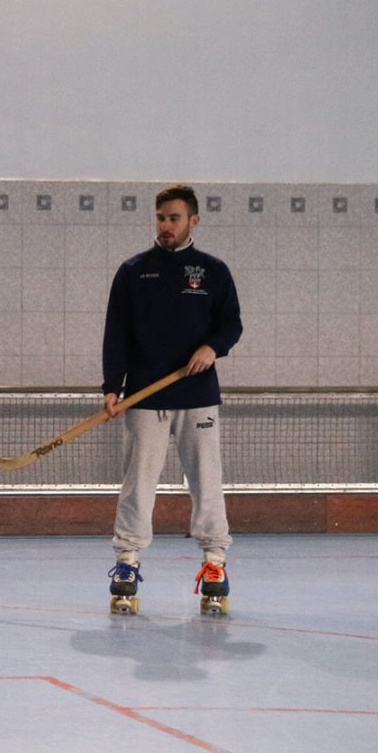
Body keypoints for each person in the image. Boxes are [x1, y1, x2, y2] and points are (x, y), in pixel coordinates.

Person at [100, 184, 243, 615]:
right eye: (161, 217)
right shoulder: (133, 271)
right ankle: (127, 562)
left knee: (206, 481)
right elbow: (116, 333)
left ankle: (215, 562)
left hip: (197, 396)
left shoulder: (212, 271)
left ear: (193, 221)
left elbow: (231, 324)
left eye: (174, 218)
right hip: (145, 397)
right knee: (138, 483)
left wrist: (212, 347)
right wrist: (112, 386)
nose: (166, 225)